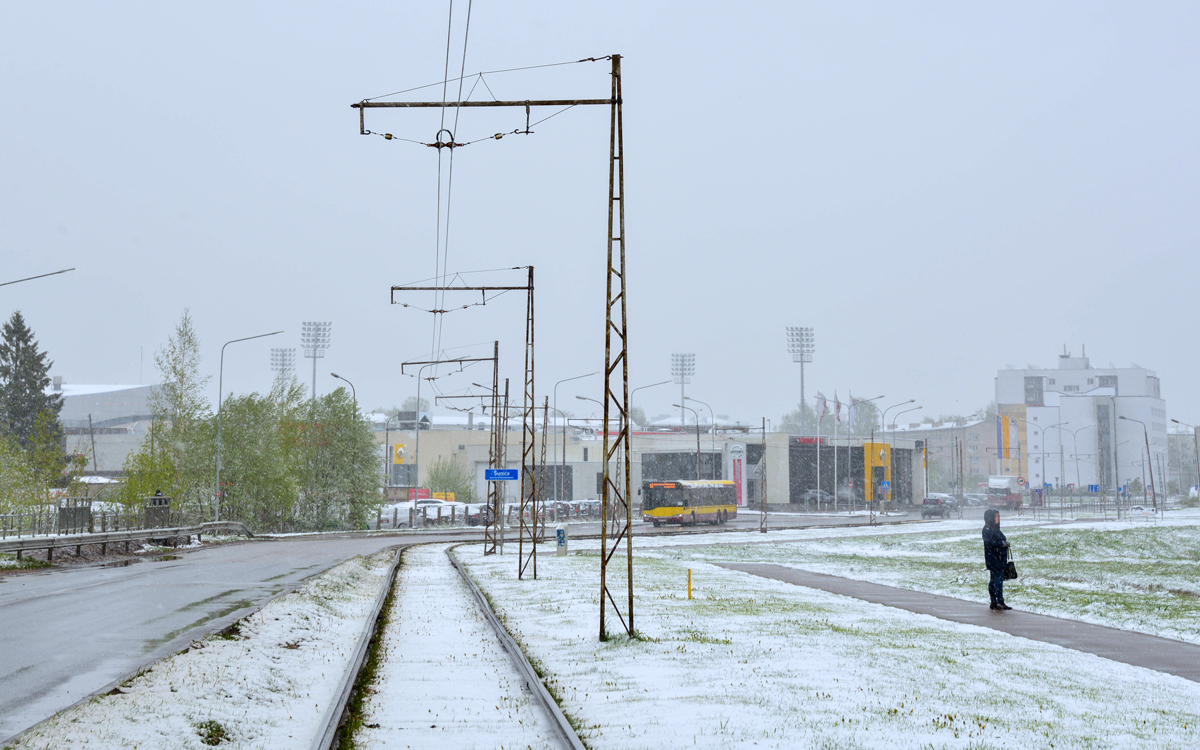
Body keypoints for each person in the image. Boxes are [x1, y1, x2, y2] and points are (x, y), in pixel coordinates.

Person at [982, 508, 1011, 610]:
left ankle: (995, 600)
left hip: (998, 558)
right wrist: (1001, 544)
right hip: (994, 558)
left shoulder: (995, 528)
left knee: (995, 579)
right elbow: (989, 543)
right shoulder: (987, 529)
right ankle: (998, 600)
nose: (998, 518)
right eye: (996, 516)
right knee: (997, 580)